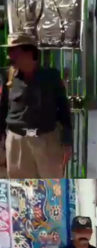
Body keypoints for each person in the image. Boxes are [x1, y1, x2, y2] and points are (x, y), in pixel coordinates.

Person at [0, 32, 73, 178]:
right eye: (9, 52)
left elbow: (64, 111)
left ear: (29, 52)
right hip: (17, 142)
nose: (9, 56)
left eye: (14, 51)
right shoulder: (7, 76)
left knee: (52, 188)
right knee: (21, 190)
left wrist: (67, 142)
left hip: (47, 140)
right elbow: (2, 110)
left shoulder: (50, 76)